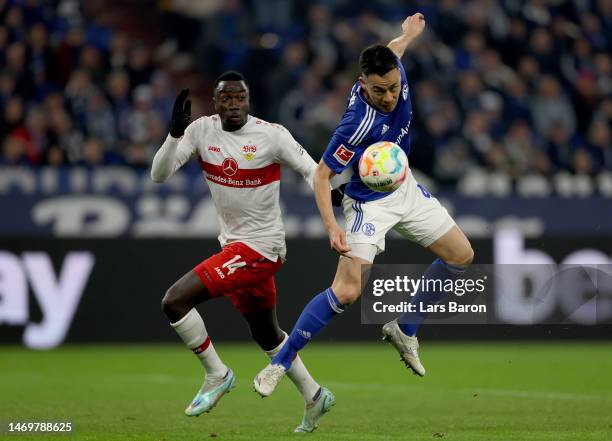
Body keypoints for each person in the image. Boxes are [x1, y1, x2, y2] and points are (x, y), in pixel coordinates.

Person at [254, 13, 474, 398]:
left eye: (393, 87)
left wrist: (407, 34)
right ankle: (279, 362)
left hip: (404, 187)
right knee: (348, 290)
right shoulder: (355, 124)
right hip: (367, 204)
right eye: (379, 91)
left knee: (461, 256)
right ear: (363, 85)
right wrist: (331, 226)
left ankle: (404, 329)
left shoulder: (394, 70)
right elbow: (322, 176)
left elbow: (393, 50)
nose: (389, 96)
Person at [150, 71, 335, 432]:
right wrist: (174, 134)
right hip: (234, 245)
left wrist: (335, 197)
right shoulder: (202, 131)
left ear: (248, 101)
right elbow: (159, 174)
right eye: (226, 98)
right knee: (267, 334)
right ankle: (315, 396)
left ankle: (217, 374)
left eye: (240, 98)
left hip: (262, 248)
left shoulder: (272, 135)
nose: (234, 104)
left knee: (174, 301)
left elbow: (313, 172)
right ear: (216, 102)